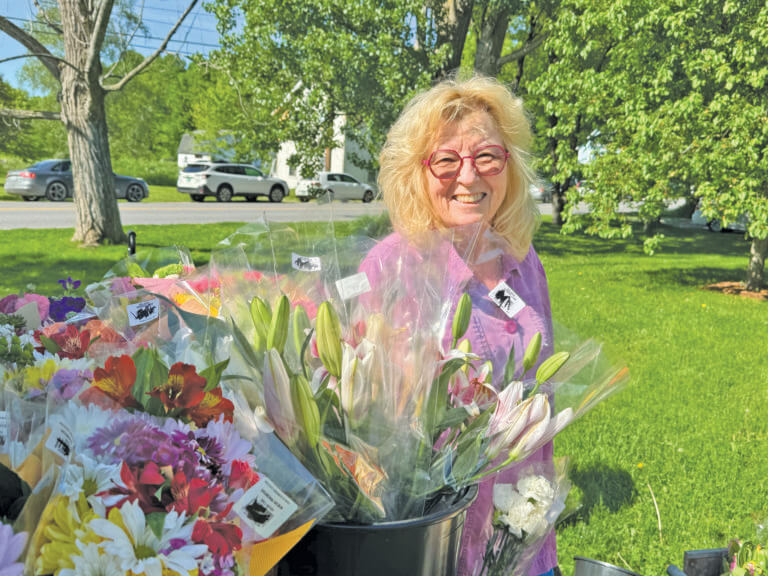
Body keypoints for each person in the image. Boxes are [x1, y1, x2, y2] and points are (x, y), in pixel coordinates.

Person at [359, 75, 556, 576]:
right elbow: (361, 418)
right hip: (434, 541)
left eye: (487, 156)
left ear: (508, 166)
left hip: (521, 535)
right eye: (446, 160)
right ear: (416, 172)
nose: (468, 177)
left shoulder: (522, 259)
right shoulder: (389, 267)